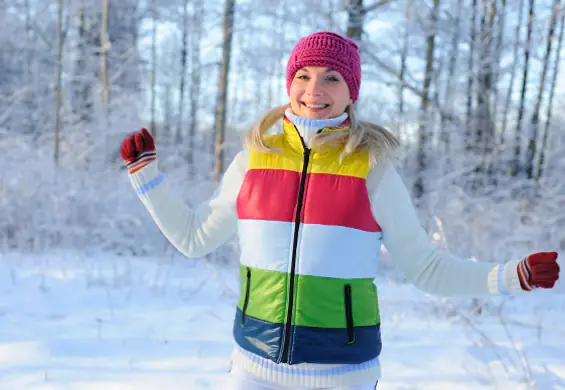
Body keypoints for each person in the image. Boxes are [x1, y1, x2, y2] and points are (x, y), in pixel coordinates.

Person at [120, 31, 560, 390]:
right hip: (253, 368)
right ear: (289, 83)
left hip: (343, 374)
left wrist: (508, 277)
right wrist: (148, 179)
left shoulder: (373, 171)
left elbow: (426, 268)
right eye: (304, 75)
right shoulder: (252, 163)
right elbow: (195, 239)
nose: (314, 90)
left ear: (351, 91)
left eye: (331, 77)